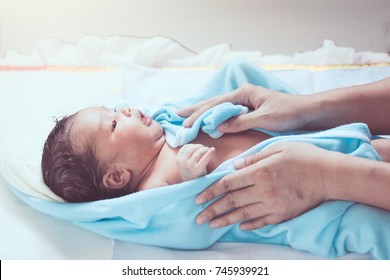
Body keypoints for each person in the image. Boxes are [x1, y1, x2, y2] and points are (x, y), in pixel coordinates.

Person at [177, 77, 390, 231]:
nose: (142, 111)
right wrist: (305, 109)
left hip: (303, 160)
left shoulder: (170, 125)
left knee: (376, 150)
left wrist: (327, 176)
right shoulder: (153, 185)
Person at [41, 105, 271, 202]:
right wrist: (190, 179)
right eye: (113, 123)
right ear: (117, 176)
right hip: (274, 159)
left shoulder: (162, 128)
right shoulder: (153, 186)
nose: (125, 110)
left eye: (113, 109)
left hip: (271, 127)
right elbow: (184, 213)